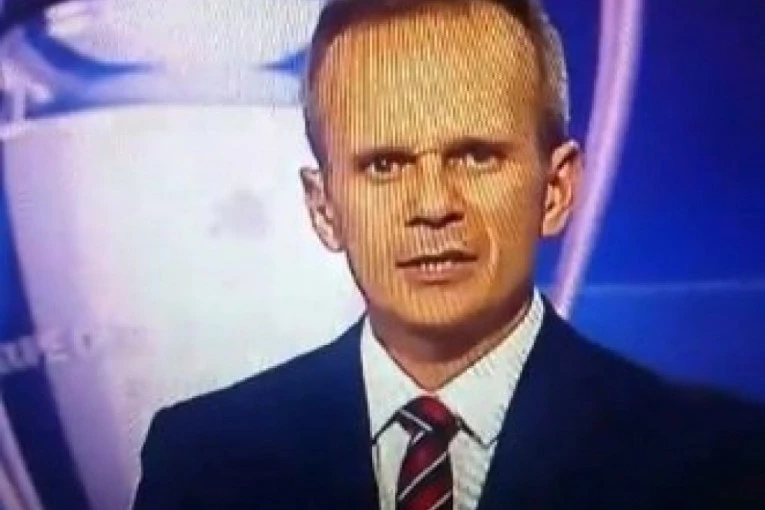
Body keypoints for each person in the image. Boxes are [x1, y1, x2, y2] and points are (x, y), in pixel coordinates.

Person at [132, 0, 765, 508]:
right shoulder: (204, 461)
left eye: (476, 156)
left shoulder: (719, 463)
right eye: (385, 165)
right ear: (324, 209)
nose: (434, 204)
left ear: (555, 190)